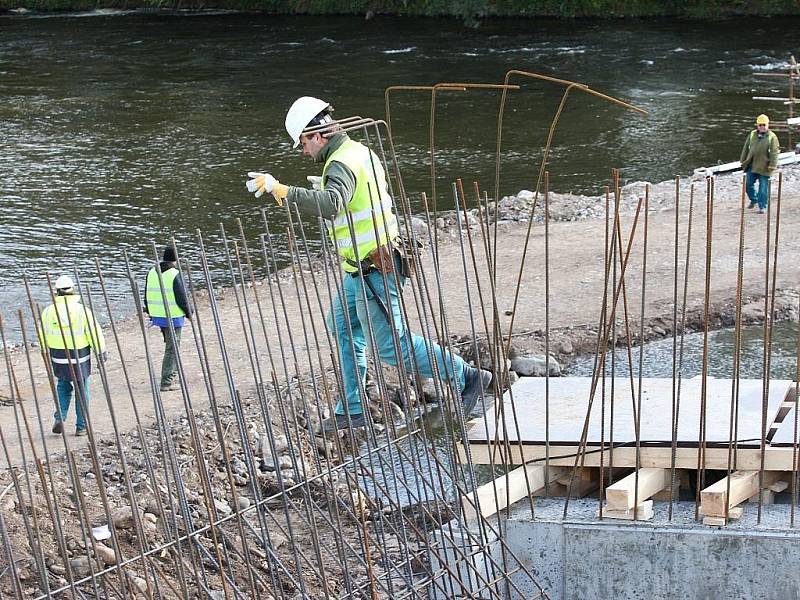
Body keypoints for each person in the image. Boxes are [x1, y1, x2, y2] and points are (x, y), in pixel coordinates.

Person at [245, 96, 492, 432]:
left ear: (317, 134)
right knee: (341, 324)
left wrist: (283, 190)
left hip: (375, 268)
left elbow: (332, 204)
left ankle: (466, 375)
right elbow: (355, 198)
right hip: (361, 267)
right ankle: (354, 407)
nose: (303, 151)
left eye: (303, 142)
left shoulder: (340, 164)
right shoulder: (358, 152)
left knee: (393, 346)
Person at [38, 275, 106, 436]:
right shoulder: (82, 310)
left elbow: (43, 334)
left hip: (58, 355)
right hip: (79, 355)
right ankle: (81, 426)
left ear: (57, 291)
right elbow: (93, 332)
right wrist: (101, 351)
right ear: (72, 289)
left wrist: (44, 351)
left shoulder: (48, 311)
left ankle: (60, 417)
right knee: (82, 388)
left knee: (63, 385)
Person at [143, 245, 193, 392]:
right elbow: (182, 298)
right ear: (175, 259)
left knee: (170, 346)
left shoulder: (152, 271)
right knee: (172, 348)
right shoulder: (174, 273)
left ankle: (169, 376)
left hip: (157, 315)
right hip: (173, 315)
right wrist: (189, 313)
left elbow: (146, 294)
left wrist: (150, 312)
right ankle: (167, 381)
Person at [740, 113, 780, 214]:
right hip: (752, 165)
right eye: (760, 125)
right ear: (757, 125)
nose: (762, 127)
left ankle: (762, 206)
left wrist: (772, 165)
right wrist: (743, 160)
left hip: (765, 167)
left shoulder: (772, 137)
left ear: (768, 125)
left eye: (764, 125)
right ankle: (754, 199)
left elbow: (775, 152)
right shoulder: (752, 134)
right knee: (748, 184)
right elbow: (746, 148)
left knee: (763, 188)